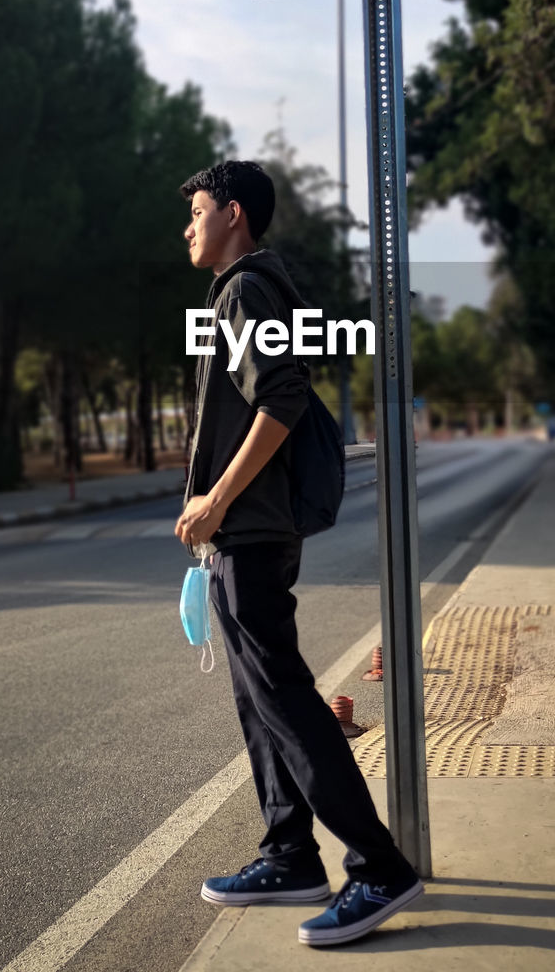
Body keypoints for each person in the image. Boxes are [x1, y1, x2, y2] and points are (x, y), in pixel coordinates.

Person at [173, 160, 423, 948]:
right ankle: (289, 853)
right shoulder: (244, 290)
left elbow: (280, 399)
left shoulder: (246, 288)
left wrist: (215, 499)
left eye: (199, 211)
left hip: (248, 527)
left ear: (235, 214)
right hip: (244, 531)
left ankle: (379, 866)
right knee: (258, 697)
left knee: (284, 696)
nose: (188, 226)